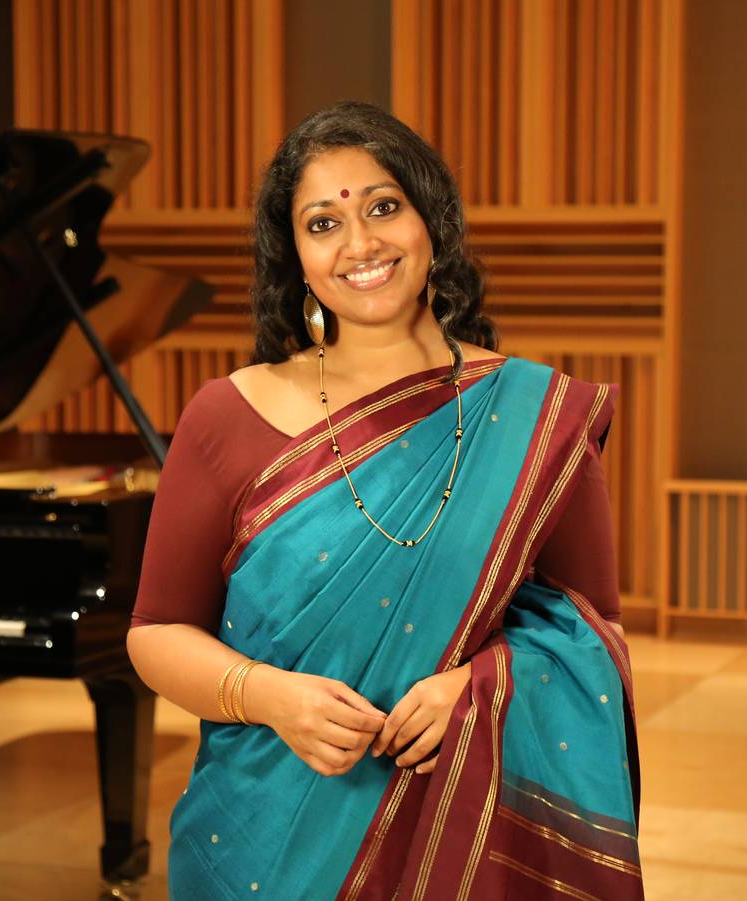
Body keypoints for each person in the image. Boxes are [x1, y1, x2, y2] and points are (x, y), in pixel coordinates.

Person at [127, 100, 644, 900]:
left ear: (432, 221)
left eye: (382, 207)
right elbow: (157, 632)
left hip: (455, 826)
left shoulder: (534, 416)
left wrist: (479, 688)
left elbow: (594, 632)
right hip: (261, 840)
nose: (360, 244)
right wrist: (271, 696)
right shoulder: (226, 414)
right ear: (296, 257)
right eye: (323, 224)